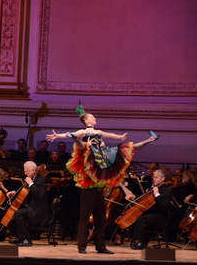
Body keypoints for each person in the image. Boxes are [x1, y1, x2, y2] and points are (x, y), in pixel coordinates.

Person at [46, 104, 158, 254]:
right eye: (93, 116)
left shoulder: (97, 131)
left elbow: (109, 135)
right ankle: (82, 247)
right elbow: (73, 135)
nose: (95, 118)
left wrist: (119, 137)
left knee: (101, 219)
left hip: (100, 164)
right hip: (89, 164)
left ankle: (101, 246)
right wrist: (59, 136)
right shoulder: (85, 131)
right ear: (86, 120)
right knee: (85, 217)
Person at [5, 161, 48, 247]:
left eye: (26, 171)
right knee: (16, 212)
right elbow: (26, 192)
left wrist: (31, 184)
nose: (25, 173)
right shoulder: (33, 179)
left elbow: (40, 195)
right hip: (32, 208)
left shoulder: (40, 180)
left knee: (18, 214)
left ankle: (27, 240)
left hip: (38, 210)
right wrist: (15, 192)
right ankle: (21, 238)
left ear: (32, 170)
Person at [130, 169, 173, 250]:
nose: (154, 179)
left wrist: (157, 194)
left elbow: (165, 205)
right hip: (151, 214)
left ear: (163, 178)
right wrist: (133, 199)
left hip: (160, 216)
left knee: (142, 219)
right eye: (154, 177)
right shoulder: (152, 189)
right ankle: (141, 240)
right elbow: (144, 202)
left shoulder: (166, 190)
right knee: (136, 216)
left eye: (156, 177)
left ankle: (142, 242)